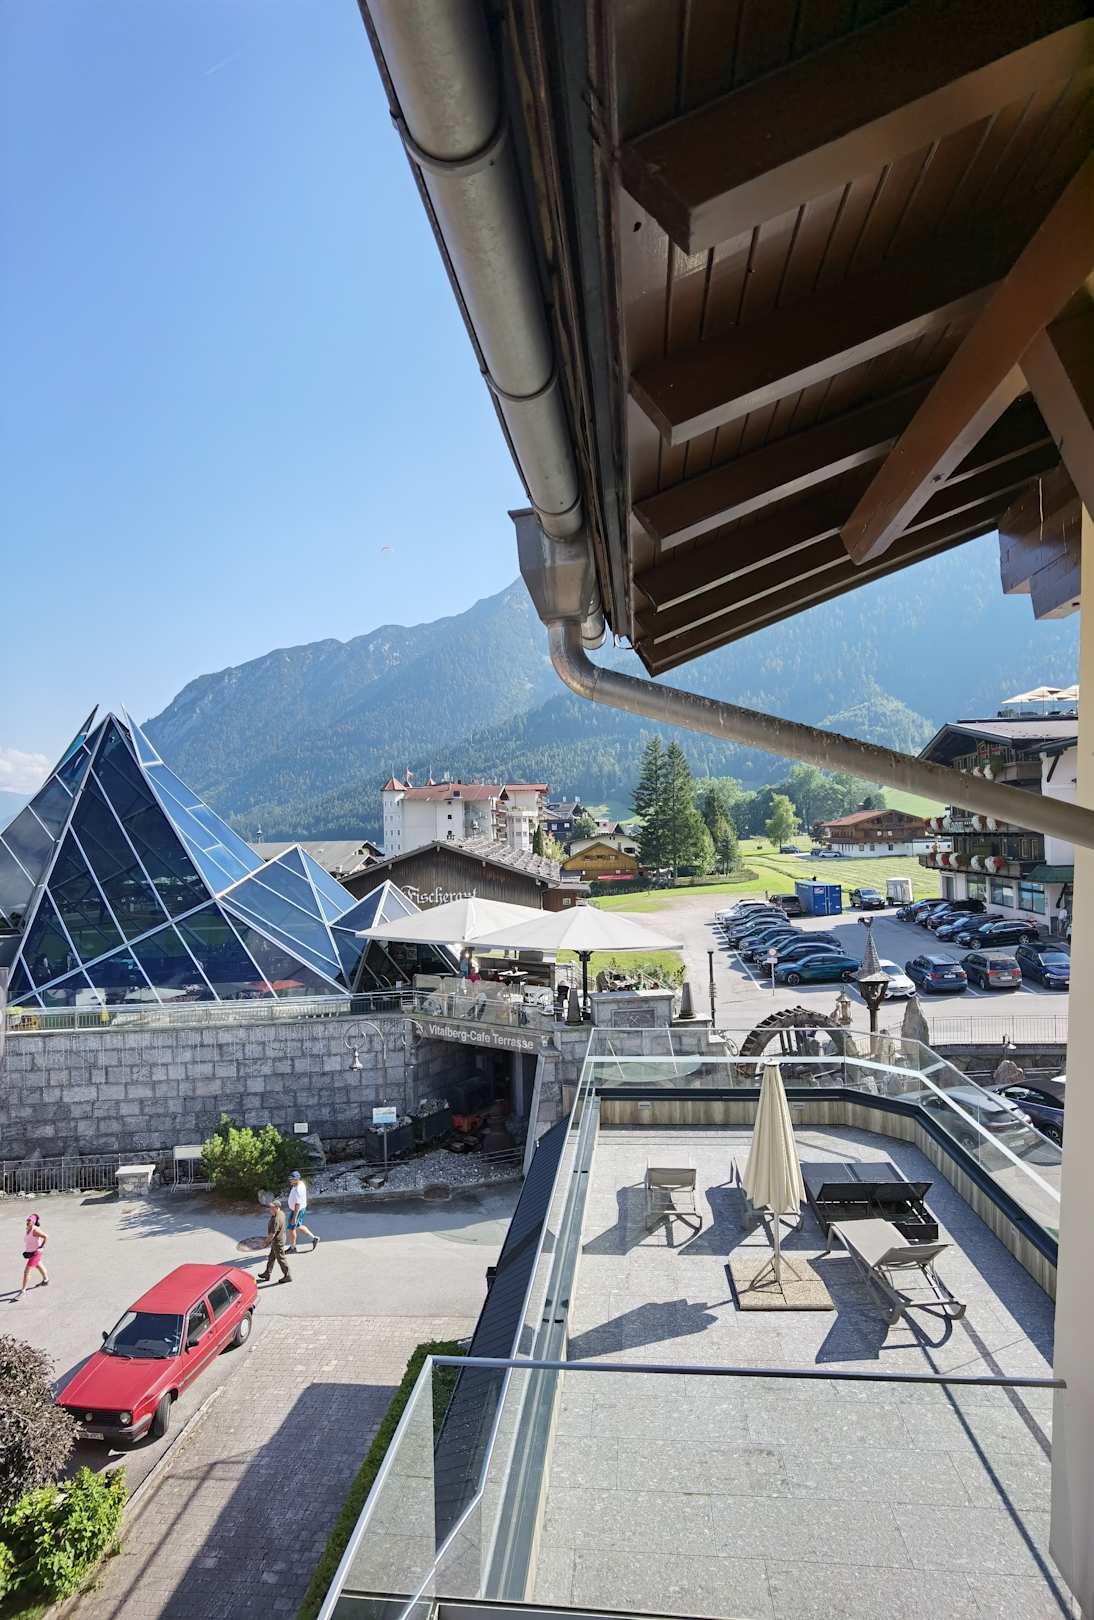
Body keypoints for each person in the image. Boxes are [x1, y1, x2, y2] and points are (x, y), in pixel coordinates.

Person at [258, 1199, 292, 1283]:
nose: (270, 1209)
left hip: (277, 1241)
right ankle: (267, 1273)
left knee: (281, 1258)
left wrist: (265, 1243)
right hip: (280, 1238)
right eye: (270, 1207)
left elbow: (272, 1234)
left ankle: (288, 1276)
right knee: (271, 1257)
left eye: (272, 1207)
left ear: (277, 1207)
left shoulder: (275, 1219)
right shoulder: (281, 1213)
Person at [286, 1170, 319, 1253]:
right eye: (290, 1178)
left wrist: (294, 1218)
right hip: (296, 1210)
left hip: (297, 1210)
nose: (290, 1180)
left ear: (297, 1179)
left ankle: (293, 1248)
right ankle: (314, 1238)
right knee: (297, 1226)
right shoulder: (298, 1184)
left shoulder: (298, 1188)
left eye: (292, 1179)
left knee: (291, 1228)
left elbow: (297, 1204)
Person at [18, 1214, 49, 1297]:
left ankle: (23, 1291)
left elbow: (46, 1237)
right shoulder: (28, 1228)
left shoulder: (35, 1230)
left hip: (36, 1253)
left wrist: (41, 1247)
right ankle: (46, 1280)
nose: (28, 1222)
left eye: (30, 1220)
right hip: (31, 1253)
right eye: (27, 1220)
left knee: (26, 1272)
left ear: (33, 1222)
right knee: (39, 1266)